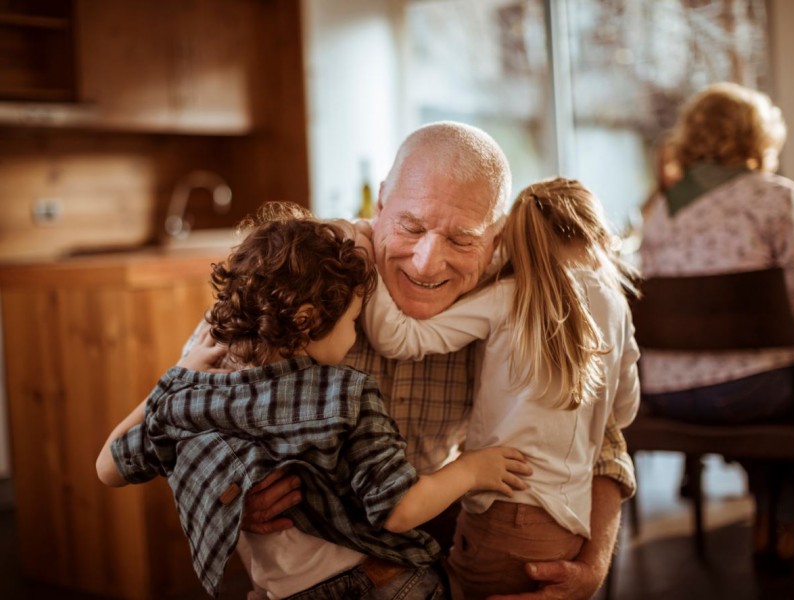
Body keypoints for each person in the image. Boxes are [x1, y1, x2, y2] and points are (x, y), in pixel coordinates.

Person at [196, 122, 637, 600]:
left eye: (462, 240)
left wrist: (591, 567)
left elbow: (604, 439)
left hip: (423, 553)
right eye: (411, 226)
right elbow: (184, 409)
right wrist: (231, 495)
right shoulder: (305, 271)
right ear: (380, 203)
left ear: (497, 237)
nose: (428, 263)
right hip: (298, 575)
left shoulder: (515, 292)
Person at [95, 203, 531, 599]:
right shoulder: (346, 395)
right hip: (384, 586)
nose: (356, 335)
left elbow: (108, 467)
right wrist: (473, 469)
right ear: (307, 321)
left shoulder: (197, 393)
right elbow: (398, 509)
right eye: (353, 321)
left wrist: (176, 380)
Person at [360, 177, 641, 598]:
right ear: (597, 232)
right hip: (567, 523)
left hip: (500, 511)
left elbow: (397, 338)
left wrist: (365, 249)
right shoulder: (616, 305)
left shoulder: (509, 296)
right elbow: (623, 413)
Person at [638, 82, 794, 568]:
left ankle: (769, 517)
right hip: (752, 392)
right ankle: (786, 520)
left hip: (666, 393)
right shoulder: (778, 198)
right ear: (758, 138)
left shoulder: (660, 211)